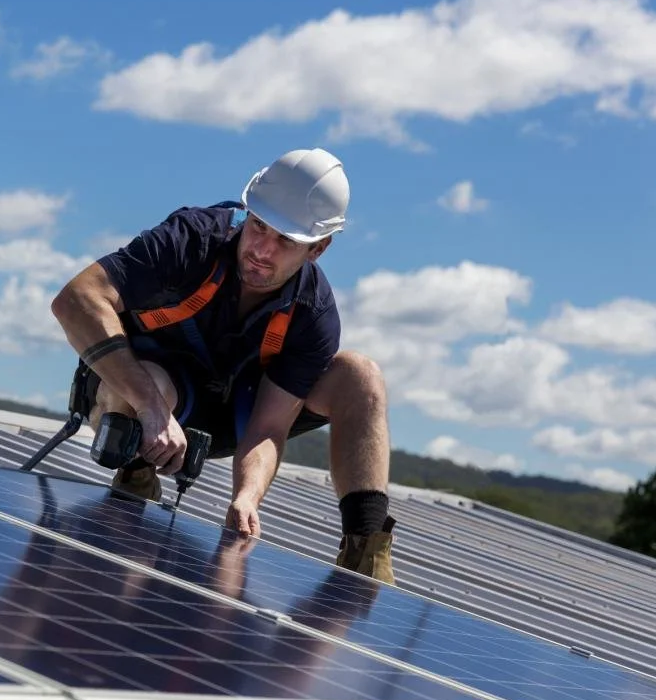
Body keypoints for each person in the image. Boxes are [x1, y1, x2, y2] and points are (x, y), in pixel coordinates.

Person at [49, 148, 396, 584]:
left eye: (285, 241)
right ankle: (136, 474)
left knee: (360, 376)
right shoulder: (190, 240)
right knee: (151, 384)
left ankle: (366, 557)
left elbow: (269, 428)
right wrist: (152, 407)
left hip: (236, 416)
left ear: (318, 249)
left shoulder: (313, 313)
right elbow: (76, 299)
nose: (262, 251)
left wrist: (247, 497)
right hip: (149, 397)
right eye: (259, 227)